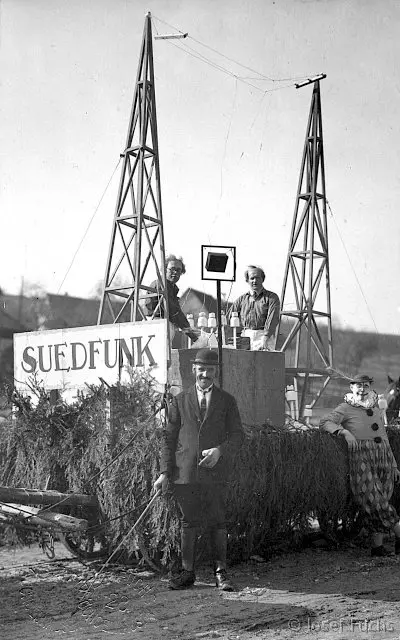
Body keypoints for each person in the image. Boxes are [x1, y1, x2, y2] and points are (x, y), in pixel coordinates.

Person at [153, 348, 244, 590]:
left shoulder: (227, 401)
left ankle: (220, 573)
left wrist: (219, 451)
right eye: (201, 369)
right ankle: (187, 573)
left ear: (216, 371)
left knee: (218, 522)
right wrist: (164, 473)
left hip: (216, 474)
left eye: (210, 369)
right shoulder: (179, 401)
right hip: (185, 475)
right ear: (194, 370)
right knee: (188, 522)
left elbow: (237, 436)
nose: (205, 374)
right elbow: (168, 439)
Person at [320, 373, 400, 557]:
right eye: (359, 386)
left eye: (366, 386)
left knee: (382, 500)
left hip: (384, 458)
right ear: (352, 388)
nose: (362, 390)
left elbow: (384, 437)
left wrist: (394, 464)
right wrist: (344, 432)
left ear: (370, 388)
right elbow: (325, 422)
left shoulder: (376, 407)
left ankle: (377, 548)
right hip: (362, 457)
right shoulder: (345, 407)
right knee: (373, 500)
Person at [145, 254, 198, 342]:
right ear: (164, 270)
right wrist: (193, 336)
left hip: (162, 325)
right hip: (155, 325)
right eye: (172, 269)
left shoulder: (172, 288)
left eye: (178, 270)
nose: (175, 272)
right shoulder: (161, 285)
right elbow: (174, 312)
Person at [230, 265, 280, 351]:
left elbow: (273, 318)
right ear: (247, 280)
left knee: (262, 363)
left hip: (263, 336)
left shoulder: (272, 297)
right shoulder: (241, 299)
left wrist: (266, 337)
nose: (255, 281)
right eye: (252, 278)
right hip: (245, 335)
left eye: (258, 278)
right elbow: (230, 318)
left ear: (263, 279)